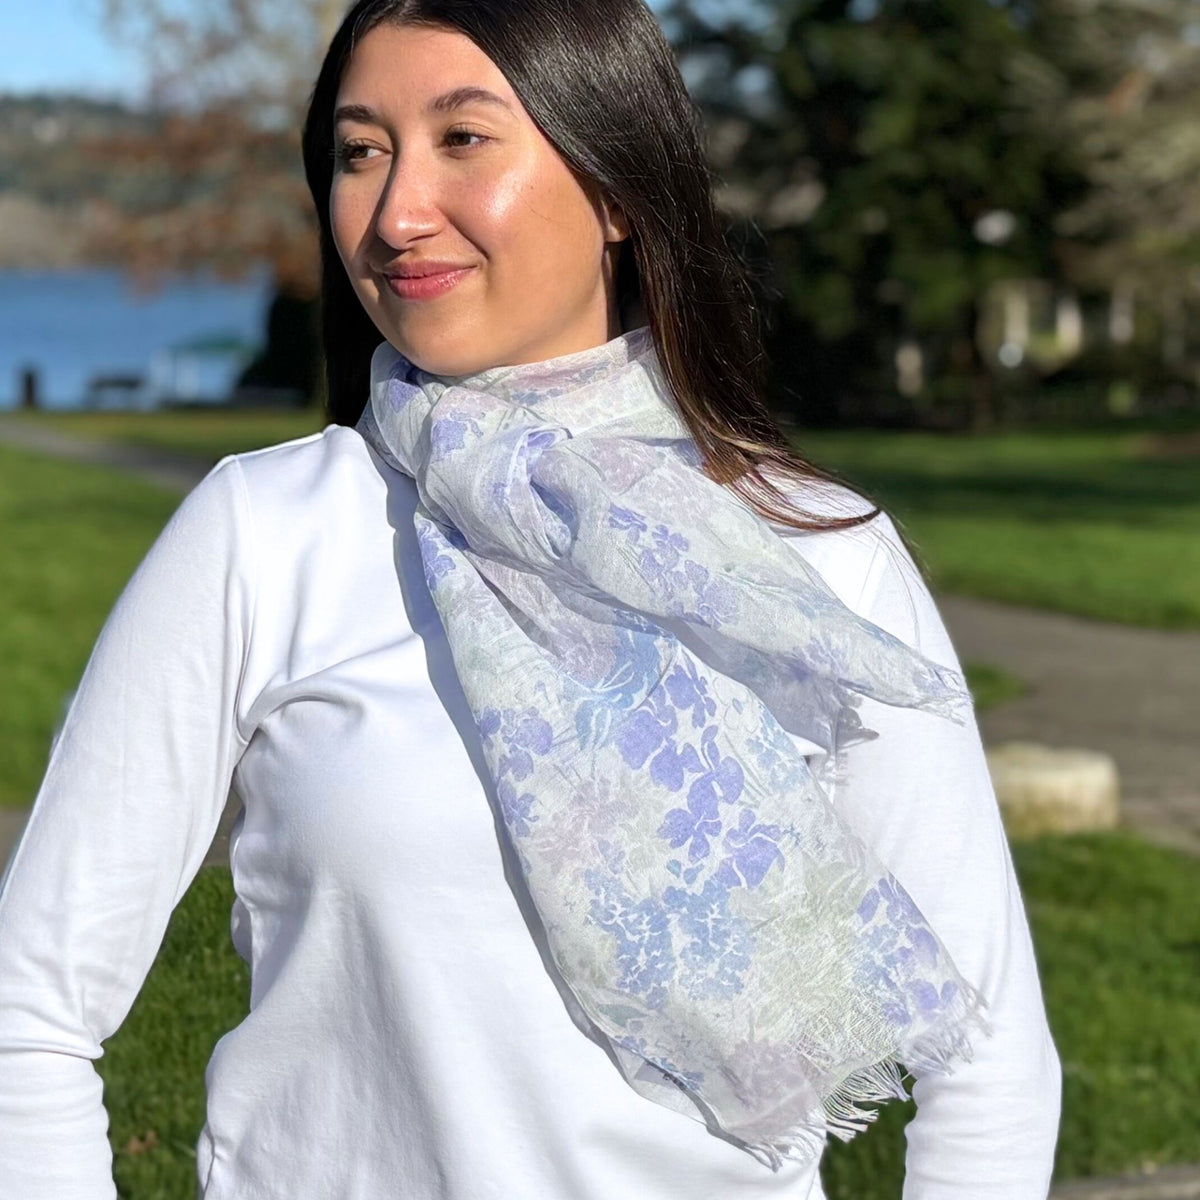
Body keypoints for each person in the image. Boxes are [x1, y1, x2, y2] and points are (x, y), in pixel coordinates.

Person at [0, 1, 1061, 1198]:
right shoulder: (268, 534)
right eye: (361, 151)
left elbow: (987, 1063)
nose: (396, 213)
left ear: (618, 187)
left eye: (463, 139)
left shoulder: (815, 559)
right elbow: (27, 1013)